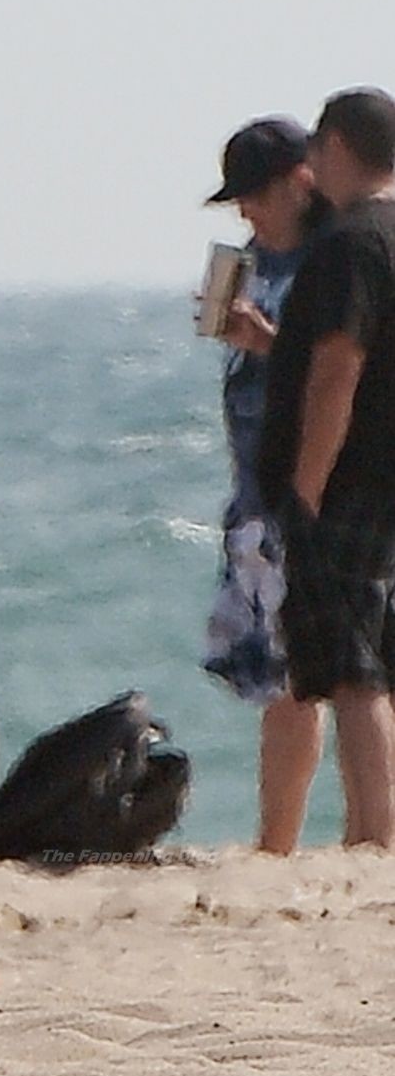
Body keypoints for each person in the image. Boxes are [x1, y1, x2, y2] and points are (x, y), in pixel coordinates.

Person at [257, 89, 395, 849]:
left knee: (353, 669)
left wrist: (306, 488)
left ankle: (374, 834)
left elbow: (339, 365)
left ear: (337, 146)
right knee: (375, 661)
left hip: (351, 481)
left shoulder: (353, 244)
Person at [201, 116, 328, 852]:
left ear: (298, 183)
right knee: (277, 680)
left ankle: (295, 840)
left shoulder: (331, 261)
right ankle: (275, 841)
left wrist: (268, 344)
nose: (246, 211)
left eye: (255, 194)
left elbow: (343, 376)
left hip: (312, 492)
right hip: (256, 493)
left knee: (315, 676)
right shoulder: (257, 261)